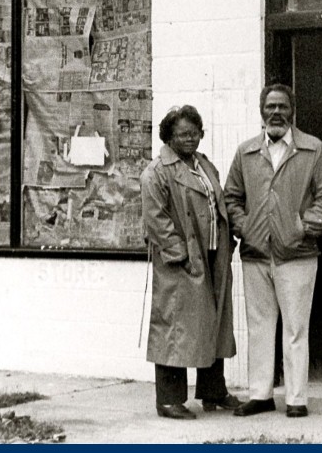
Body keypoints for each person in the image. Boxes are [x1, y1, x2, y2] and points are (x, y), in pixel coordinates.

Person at [224, 83, 322, 419]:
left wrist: (304, 227)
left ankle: (296, 398)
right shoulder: (246, 152)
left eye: (282, 106)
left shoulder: (312, 150)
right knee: (258, 327)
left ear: (293, 111)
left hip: (298, 254)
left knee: (295, 328)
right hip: (256, 254)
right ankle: (259, 395)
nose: (276, 112)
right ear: (262, 111)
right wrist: (245, 227)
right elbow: (232, 197)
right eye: (270, 106)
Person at [140, 105, 241, 420]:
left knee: (213, 321)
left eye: (195, 133)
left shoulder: (204, 165)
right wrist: (177, 251)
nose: (190, 139)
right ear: (169, 136)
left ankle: (213, 391)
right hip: (181, 260)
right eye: (183, 134)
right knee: (174, 326)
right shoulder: (156, 172)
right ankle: (169, 400)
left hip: (212, 254)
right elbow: (155, 218)